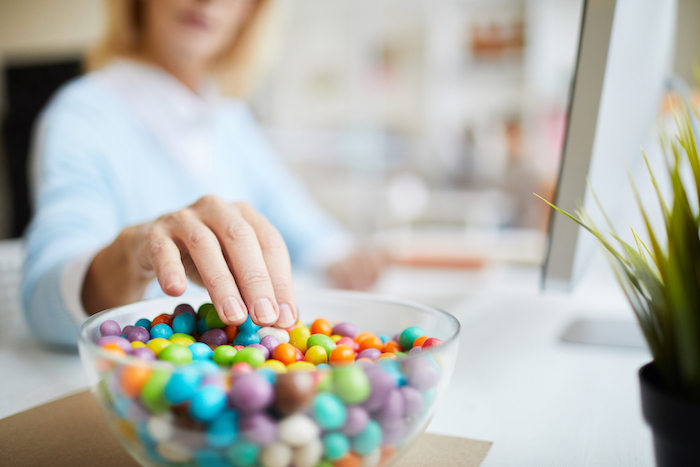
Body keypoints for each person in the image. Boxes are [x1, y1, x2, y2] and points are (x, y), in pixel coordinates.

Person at [22, 0, 384, 347]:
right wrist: (135, 250)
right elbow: (44, 298)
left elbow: (299, 218)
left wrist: (344, 255)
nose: (210, 0)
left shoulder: (229, 118)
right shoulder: (81, 113)